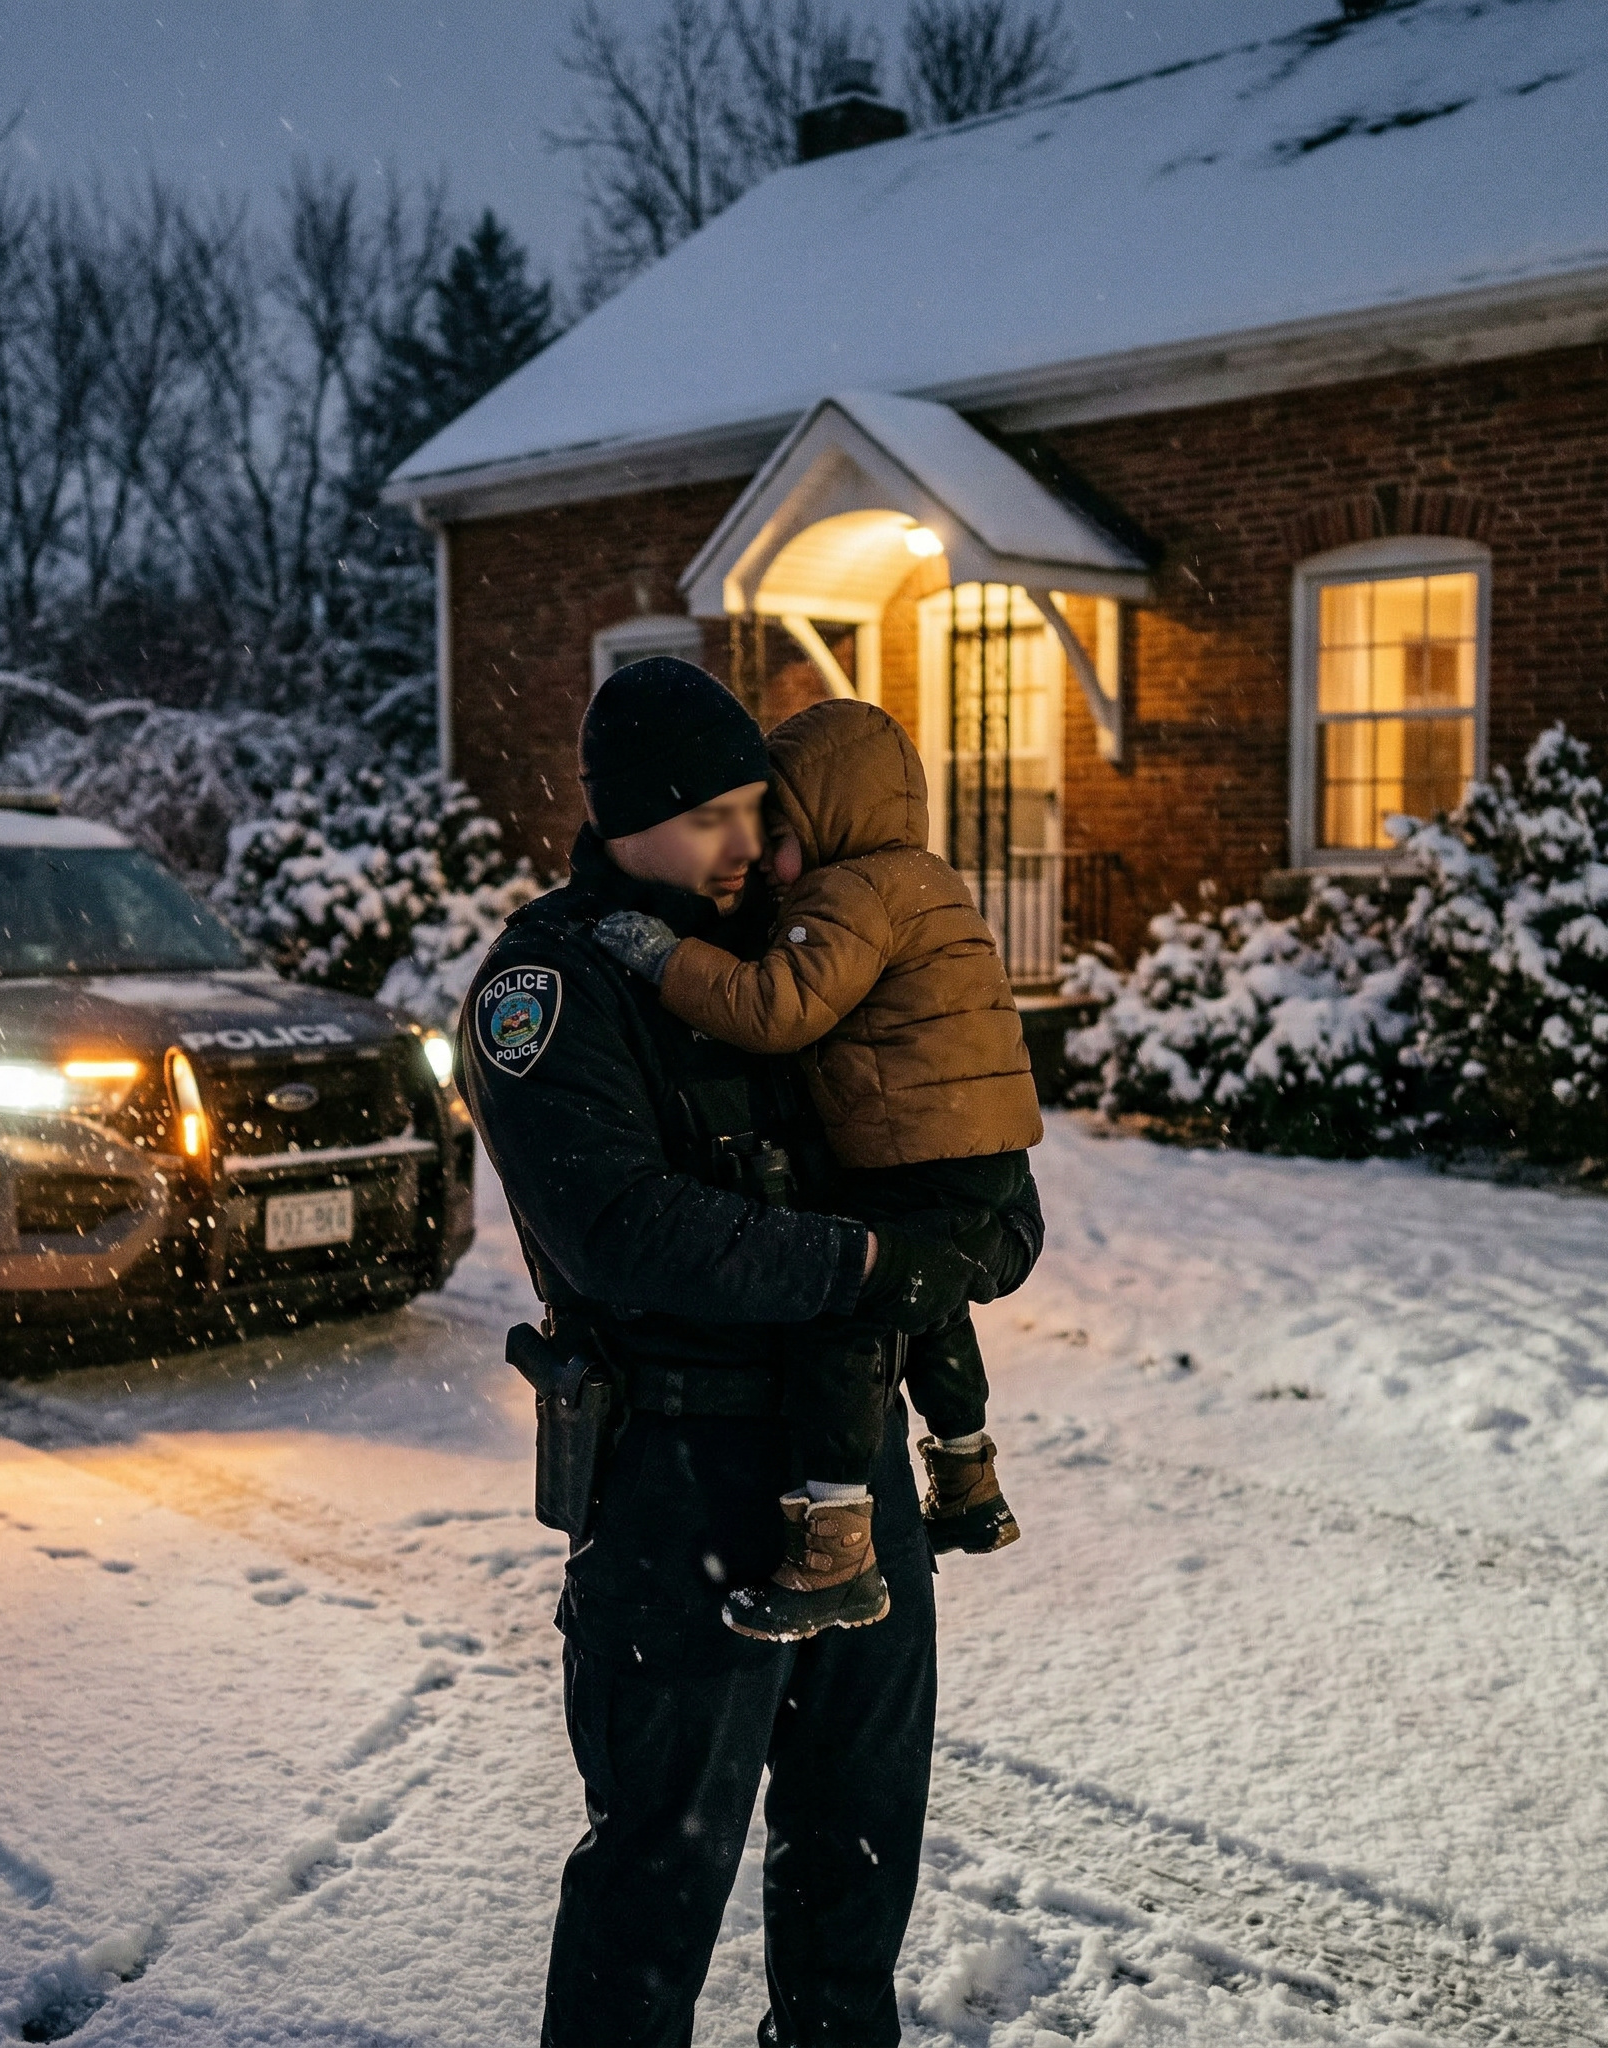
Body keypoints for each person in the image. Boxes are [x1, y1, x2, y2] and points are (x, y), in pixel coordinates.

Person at [460, 656, 993, 2048]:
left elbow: (941, 1114)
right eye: (709, 818)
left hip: (849, 1463)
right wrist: (865, 1264)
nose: (746, 842)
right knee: (659, 1872)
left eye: (756, 806)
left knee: (858, 1842)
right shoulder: (552, 983)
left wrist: (976, 1222)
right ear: (624, 818)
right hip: (676, 1476)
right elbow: (622, 1230)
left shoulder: (800, 943)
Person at [594, 698, 1044, 1642]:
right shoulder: (931, 880)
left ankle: (837, 1550)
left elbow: (776, 1010)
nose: (761, 856)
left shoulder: (850, 895)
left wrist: (669, 960)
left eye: (779, 832)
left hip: (912, 1155)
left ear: (832, 819)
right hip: (978, 1153)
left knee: (847, 1321)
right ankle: (969, 1482)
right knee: (932, 1307)